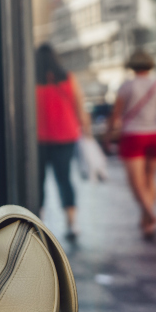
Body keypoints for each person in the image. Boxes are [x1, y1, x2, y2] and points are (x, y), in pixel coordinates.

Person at [107, 50, 156, 240]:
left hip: (133, 137)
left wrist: (108, 136)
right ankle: (147, 221)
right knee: (150, 179)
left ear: (132, 65)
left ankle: (151, 214)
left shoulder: (126, 86)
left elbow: (116, 116)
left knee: (136, 183)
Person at [34, 44, 90, 239]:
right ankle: (71, 223)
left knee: (37, 180)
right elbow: (80, 108)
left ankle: (37, 222)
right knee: (64, 179)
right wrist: (88, 134)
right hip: (65, 137)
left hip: (38, 139)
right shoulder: (68, 78)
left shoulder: (31, 81)